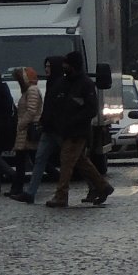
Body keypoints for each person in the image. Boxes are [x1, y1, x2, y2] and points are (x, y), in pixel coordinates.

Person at [44, 48, 113, 208]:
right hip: (66, 130)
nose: (64, 67)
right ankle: (103, 186)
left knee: (67, 162)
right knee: (81, 162)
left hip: (77, 131)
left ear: (73, 65)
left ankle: (61, 195)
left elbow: (91, 109)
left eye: (66, 64)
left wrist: (73, 120)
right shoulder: (65, 82)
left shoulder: (85, 84)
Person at [25, 57, 65, 202]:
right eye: (45, 66)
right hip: (49, 128)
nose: (46, 69)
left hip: (57, 129)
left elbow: (57, 107)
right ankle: (30, 193)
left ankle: (96, 184)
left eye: (49, 66)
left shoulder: (60, 83)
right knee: (39, 159)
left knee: (75, 160)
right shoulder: (51, 82)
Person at [10, 67, 44, 202]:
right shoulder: (29, 91)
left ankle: (22, 188)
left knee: (36, 160)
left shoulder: (32, 90)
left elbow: (31, 110)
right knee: (24, 160)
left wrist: (21, 124)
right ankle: (18, 187)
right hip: (25, 131)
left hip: (28, 130)